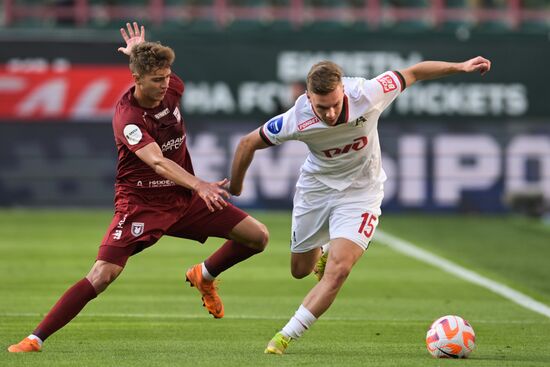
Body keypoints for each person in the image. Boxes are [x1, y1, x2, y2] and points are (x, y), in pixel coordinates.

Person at [8, 22, 269, 353]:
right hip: (141, 203)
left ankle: (204, 274)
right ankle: (35, 339)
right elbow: (157, 162)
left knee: (257, 237)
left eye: (166, 76)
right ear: (136, 80)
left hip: (183, 198)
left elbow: (158, 74)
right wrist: (199, 183)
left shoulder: (173, 87)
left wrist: (137, 52)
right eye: (156, 79)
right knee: (102, 275)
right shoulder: (128, 118)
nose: (164, 84)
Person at [228, 56, 491, 354]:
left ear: (343, 89)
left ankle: (285, 336)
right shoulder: (296, 118)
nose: (329, 114)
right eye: (320, 107)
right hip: (315, 191)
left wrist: (460, 67)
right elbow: (247, 143)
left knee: (339, 271)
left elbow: (414, 72)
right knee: (301, 270)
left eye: (335, 104)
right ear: (307, 97)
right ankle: (325, 248)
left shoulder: (369, 93)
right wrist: (236, 186)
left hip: (361, 193)